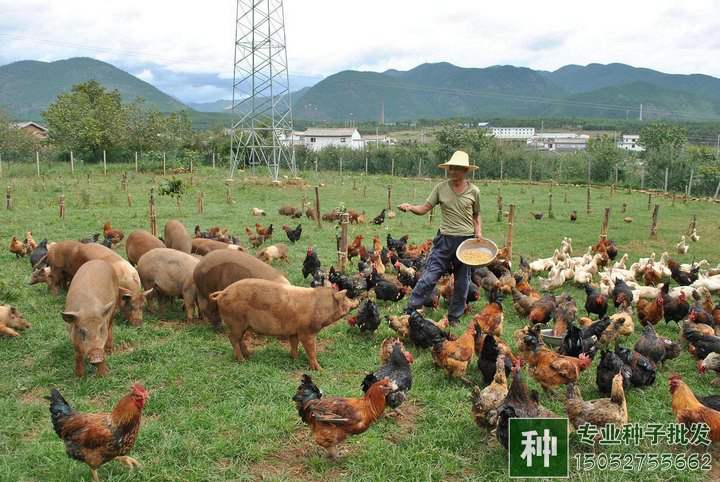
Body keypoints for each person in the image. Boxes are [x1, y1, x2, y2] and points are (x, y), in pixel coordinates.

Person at [398, 150, 482, 324]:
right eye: (451, 168)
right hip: (444, 240)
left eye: (457, 168)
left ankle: (454, 317)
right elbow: (424, 209)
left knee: (462, 282)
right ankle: (410, 309)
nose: (453, 171)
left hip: (466, 242)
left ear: (465, 170)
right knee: (429, 276)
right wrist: (411, 207)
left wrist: (478, 232)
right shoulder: (440, 188)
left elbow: (476, 215)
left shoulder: (474, 191)